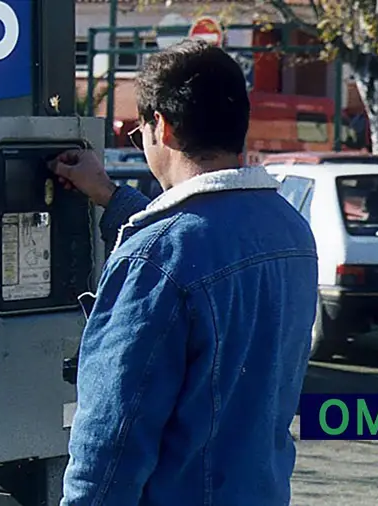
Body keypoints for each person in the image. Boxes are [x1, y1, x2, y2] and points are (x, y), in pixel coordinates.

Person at [52, 39, 318, 506]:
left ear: (163, 126)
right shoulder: (290, 230)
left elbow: (111, 439)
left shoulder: (152, 260)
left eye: (141, 133)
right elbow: (209, 243)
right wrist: (112, 197)